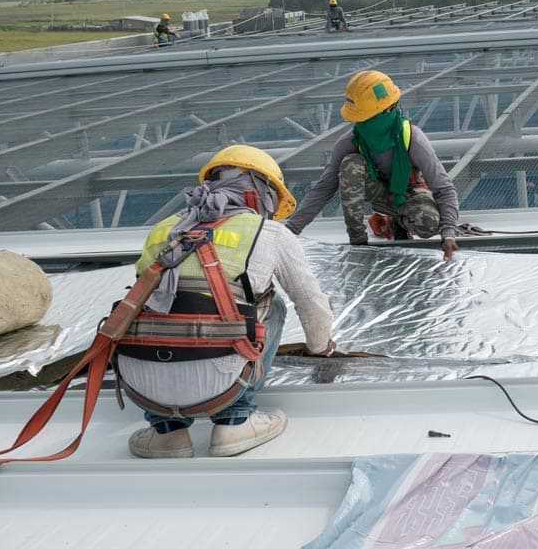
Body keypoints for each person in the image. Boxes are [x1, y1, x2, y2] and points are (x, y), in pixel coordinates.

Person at [123, 145, 335, 459]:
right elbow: (310, 302)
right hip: (222, 378)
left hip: (141, 382)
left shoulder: (164, 228)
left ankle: (167, 432)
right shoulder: (270, 233)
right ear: (262, 191)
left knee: (156, 308)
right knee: (270, 306)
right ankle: (235, 419)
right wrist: (321, 348)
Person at [286, 70, 461, 260]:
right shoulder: (351, 143)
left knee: (427, 223)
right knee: (351, 165)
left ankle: (397, 222)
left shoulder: (412, 138)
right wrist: (290, 230)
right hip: (379, 194)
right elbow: (324, 188)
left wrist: (448, 233)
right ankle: (358, 242)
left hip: (408, 193)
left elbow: (443, 188)